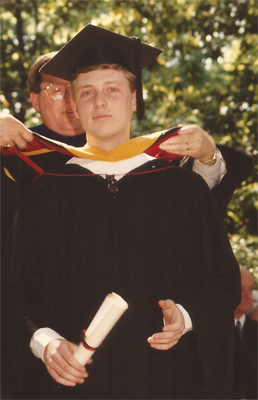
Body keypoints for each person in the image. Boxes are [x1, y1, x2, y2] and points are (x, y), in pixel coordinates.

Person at [3, 24, 241, 399]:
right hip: (72, 384)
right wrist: (45, 343)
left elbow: (220, 282)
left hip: (165, 383)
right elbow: (13, 293)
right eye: (87, 93)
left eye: (112, 89)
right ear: (75, 106)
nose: (99, 102)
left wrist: (186, 316)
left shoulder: (182, 186)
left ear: (134, 100)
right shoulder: (45, 191)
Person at [233, 266, 257, 399]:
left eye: (251, 289)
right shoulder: (213, 332)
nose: (248, 296)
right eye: (241, 289)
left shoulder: (256, 329)